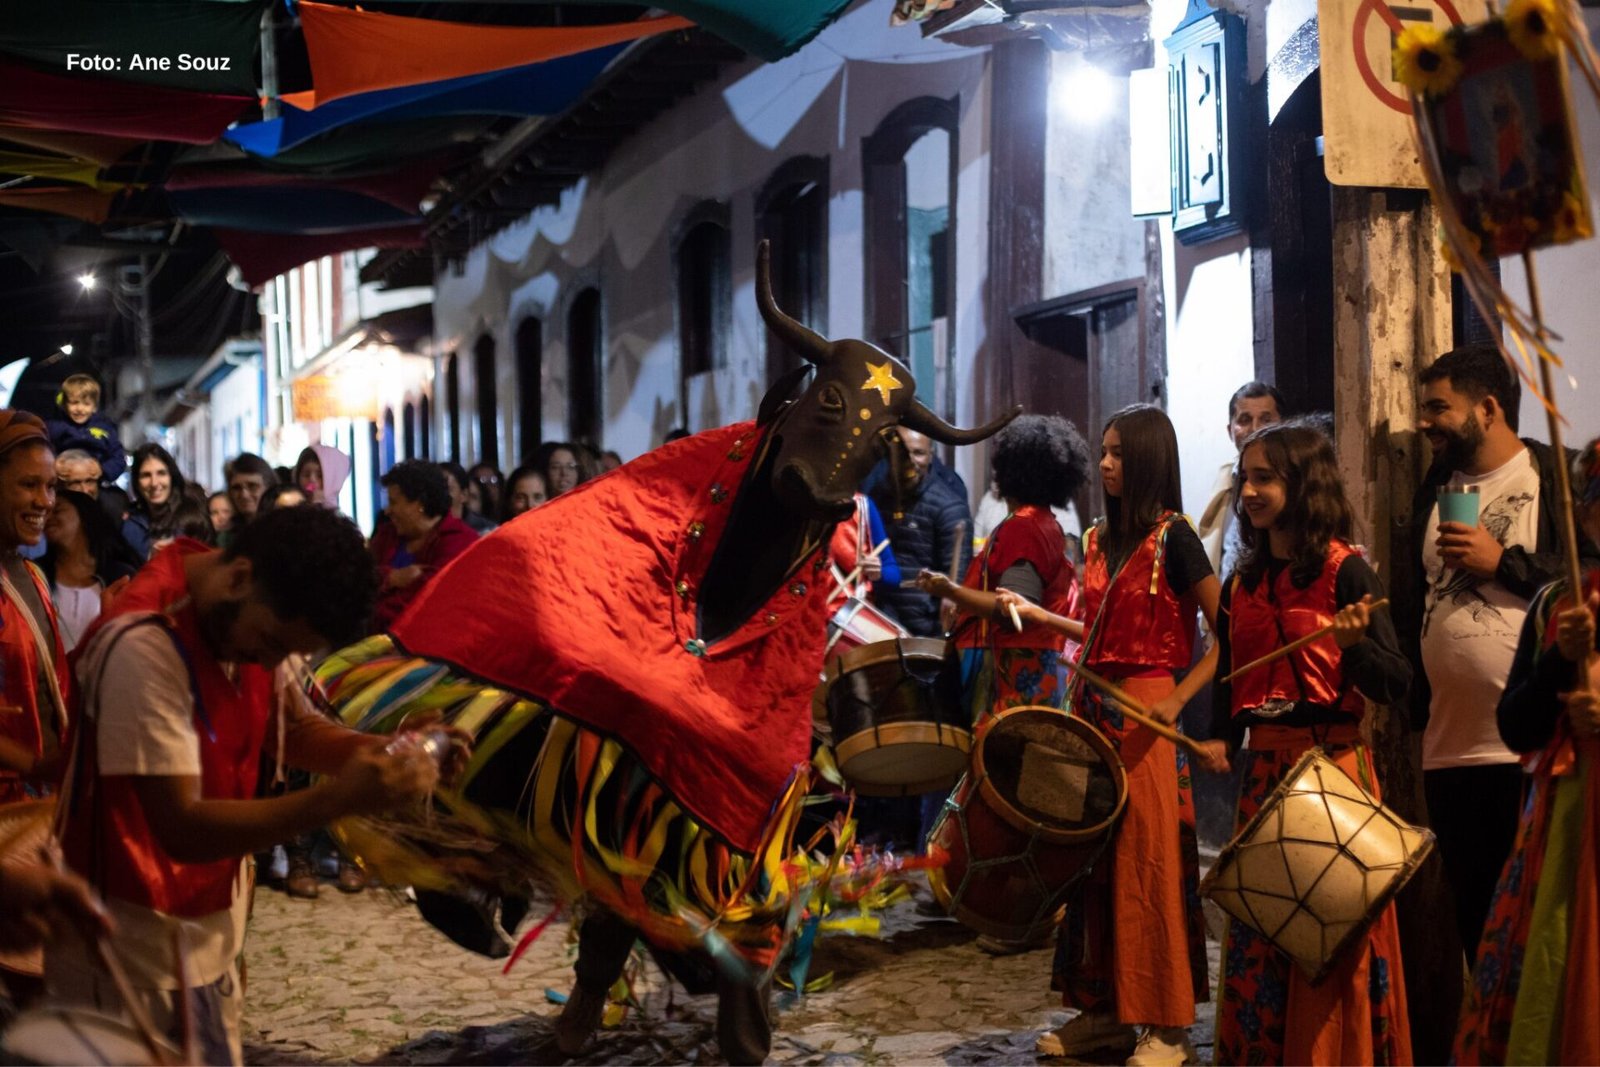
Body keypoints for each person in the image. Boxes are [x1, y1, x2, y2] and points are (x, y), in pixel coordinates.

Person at [44, 505, 452, 1065]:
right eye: (273, 643)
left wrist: (389, 751)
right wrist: (339, 798)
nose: (273, 662)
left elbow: (294, 726)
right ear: (239, 576)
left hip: (201, 933)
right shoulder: (142, 643)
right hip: (126, 954)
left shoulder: (240, 604)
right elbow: (180, 828)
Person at [1188, 421, 1413, 1065]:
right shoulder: (1241, 584)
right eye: (1245, 477)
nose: (1250, 490)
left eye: (1266, 477)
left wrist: (1352, 647)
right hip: (1264, 774)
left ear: (1303, 484)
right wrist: (1218, 741)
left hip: (1333, 771)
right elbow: (1232, 676)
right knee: (1264, 932)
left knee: (1329, 934)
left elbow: (1395, 683)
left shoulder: (1349, 572)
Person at [1021, 403, 1217, 1066]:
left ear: (1149, 459)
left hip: (1150, 712)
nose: (1103, 464)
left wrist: (1182, 699)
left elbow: (1233, 635)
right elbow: (1098, 632)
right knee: (1094, 866)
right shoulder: (1097, 540)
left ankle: (1167, 1023)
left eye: (1117, 452)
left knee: (1150, 864)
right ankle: (1103, 1011)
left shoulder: (1178, 538)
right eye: (1102, 451)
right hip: (1093, 704)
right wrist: (1033, 613)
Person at [1394, 343, 1584, 968]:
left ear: (1490, 407)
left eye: (1438, 408)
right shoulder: (1435, 487)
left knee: (1547, 933)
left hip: (1537, 746)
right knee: (1481, 931)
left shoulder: (1557, 479)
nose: (1424, 422)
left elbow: (1591, 583)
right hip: (1450, 746)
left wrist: (1501, 563)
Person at [1454, 438, 1600, 1066]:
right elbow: (1516, 726)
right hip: (1562, 833)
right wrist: (1559, 664)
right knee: (1556, 972)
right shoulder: (1559, 604)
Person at [918, 414, 1091, 721]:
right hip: (1036, 667)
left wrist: (951, 591)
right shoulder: (1043, 522)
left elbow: (1012, 611)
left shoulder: (1024, 527)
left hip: (1015, 674)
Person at [0, 412, 71, 806]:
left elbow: (49, 682)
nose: (44, 501)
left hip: (40, 805)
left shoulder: (33, 575)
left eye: (51, 487)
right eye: (29, 485)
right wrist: (36, 764)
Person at [866, 427, 973, 637]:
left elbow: (956, 582)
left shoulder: (949, 507)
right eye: (903, 452)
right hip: (879, 623)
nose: (910, 460)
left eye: (918, 452)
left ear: (930, 456)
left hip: (927, 632)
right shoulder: (877, 495)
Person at [368, 460, 477, 633]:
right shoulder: (386, 535)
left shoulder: (460, 542)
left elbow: (425, 601)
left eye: (393, 502)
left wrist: (374, 593)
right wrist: (392, 577)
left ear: (419, 504)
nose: (388, 510)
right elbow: (357, 579)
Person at [1197, 382, 1286, 582]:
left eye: (1266, 419)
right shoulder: (1225, 483)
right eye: (1244, 420)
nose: (1255, 429)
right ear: (1230, 430)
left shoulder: (1291, 486)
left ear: (1282, 424)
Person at [41, 490, 139, 651]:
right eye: (45, 513)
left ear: (85, 516)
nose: (48, 518)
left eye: (57, 510)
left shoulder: (120, 575)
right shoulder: (35, 574)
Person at [43, 373, 125, 483]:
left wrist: (102, 469)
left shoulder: (105, 428)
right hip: (62, 484)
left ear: (94, 407)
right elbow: (42, 452)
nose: (80, 409)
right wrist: (53, 464)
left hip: (95, 484)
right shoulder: (53, 426)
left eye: (86, 404)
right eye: (74, 403)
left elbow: (118, 457)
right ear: (64, 404)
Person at [122, 443, 187, 561]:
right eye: (146, 475)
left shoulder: (191, 515)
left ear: (172, 477)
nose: (154, 483)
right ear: (136, 482)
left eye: (161, 473)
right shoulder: (130, 526)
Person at [222, 452, 277, 546]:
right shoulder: (225, 539)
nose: (244, 495)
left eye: (252, 486)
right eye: (236, 488)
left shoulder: (283, 531)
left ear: (269, 487)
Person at [440, 462, 496, 536]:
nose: (438, 494)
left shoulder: (487, 532)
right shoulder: (427, 533)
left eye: (446, 489)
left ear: (464, 495)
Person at [294, 445, 352, 510]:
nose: (312, 480)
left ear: (333, 481)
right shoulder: (290, 506)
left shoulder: (335, 518)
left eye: (320, 476)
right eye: (306, 475)